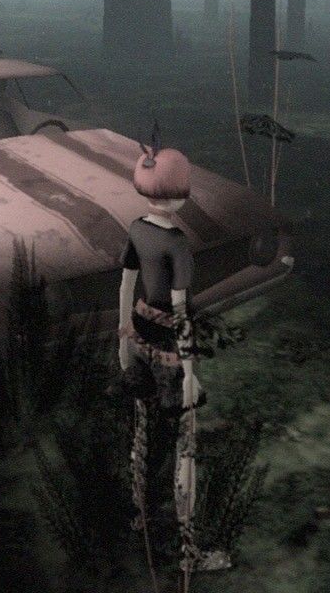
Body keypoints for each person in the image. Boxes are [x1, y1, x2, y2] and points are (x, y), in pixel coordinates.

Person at [117, 133, 229, 578]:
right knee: (186, 448)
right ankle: (189, 550)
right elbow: (180, 311)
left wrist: (123, 339)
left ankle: (140, 515)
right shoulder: (177, 243)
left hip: (140, 332)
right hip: (167, 347)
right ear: (181, 194)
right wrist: (188, 370)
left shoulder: (136, 229)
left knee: (144, 431)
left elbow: (126, 284)